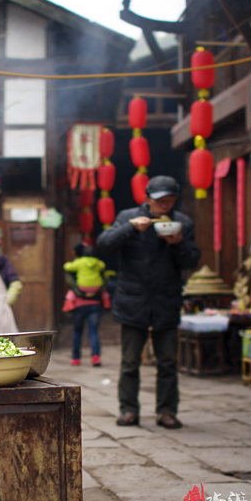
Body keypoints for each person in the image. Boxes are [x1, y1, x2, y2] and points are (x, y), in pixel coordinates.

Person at [95, 175, 200, 429]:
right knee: (130, 361)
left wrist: (178, 244)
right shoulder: (128, 217)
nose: (164, 206)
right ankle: (129, 410)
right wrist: (130, 229)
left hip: (166, 298)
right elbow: (103, 245)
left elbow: (192, 261)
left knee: (167, 361)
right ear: (147, 199)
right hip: (133, 299)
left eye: (170, 200)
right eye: (159, 201)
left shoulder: (182, 222)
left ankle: (166, 411)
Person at [63, 242, 109, 366]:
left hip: (80, 303)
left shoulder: (79, 262)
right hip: (95, 303)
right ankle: (95, 357)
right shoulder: (98, 264)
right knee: (93, 331)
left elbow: (67, 267)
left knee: (77, 331)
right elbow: (103, 267)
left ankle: (76, 358)